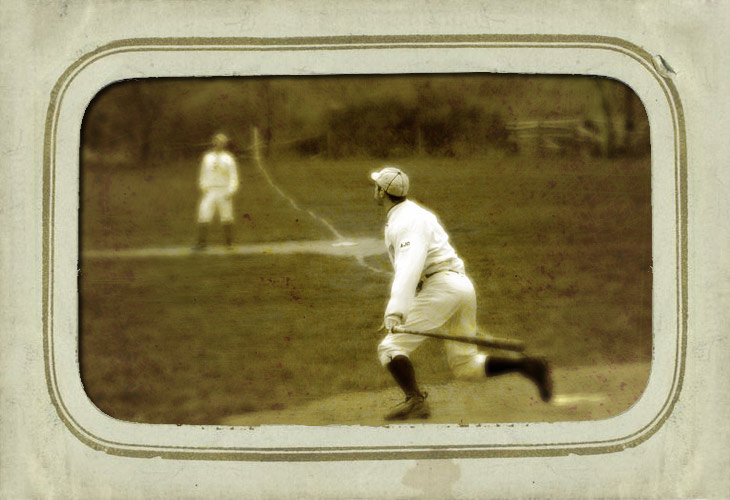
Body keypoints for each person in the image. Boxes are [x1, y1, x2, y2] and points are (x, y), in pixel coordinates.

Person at [370, 166, 553, 421]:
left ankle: (416, 402)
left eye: (376, 185)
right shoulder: (415, 213)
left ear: (382, 192)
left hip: (443, 287)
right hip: (460, 286)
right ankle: (528, 365)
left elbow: (409, 267)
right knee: (465, 366)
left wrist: (396, 312)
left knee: (389, 347)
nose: (374, 189)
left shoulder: (405, 222)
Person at [194, 133, 239, 249]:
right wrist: (203, 187)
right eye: (216, 141)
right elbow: (203, 174)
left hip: (224, 190)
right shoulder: (207, 157)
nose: (218, 144)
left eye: (221, 142)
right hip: (210, 191)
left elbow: (234, 177)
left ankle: (229, 243)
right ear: (213, 143)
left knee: (226, 215)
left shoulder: (228, 159)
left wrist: (231, 191)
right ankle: (201, 243)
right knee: (204, 213)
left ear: (224, 144)